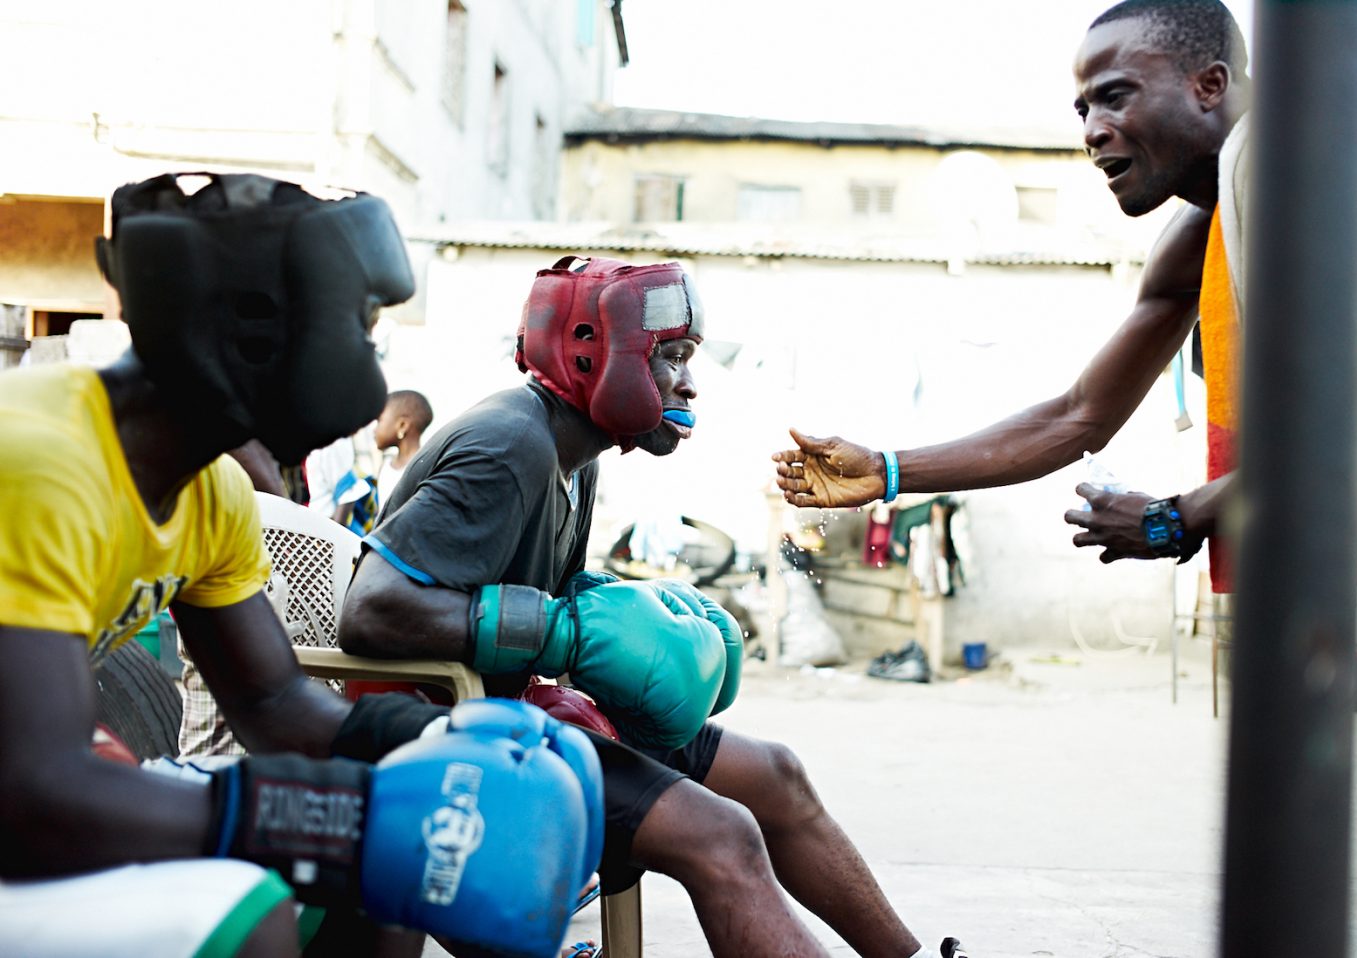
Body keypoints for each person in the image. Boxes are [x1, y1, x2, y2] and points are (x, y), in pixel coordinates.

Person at [0, 172, 609, 958]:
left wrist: (446, 745)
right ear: (254, 330)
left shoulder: (210, 489)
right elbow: (33, 792)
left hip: (33, 777)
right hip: (26, 788)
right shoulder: (42, 466)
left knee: (394, 876)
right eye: (356, 328)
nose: (368, 365)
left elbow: (272, 700)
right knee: (250, 911)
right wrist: (316, 815)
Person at [339, 256, 966, 958]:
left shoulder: (576, 453)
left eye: (688, 357)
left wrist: (602, 624)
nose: (690, 383)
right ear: (589, 354)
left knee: (774, 774)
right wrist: (561, 634)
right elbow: (371, 611)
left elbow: (539, 607)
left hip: (504, 706)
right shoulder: (508, 442)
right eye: (670, 357)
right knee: (721, 836)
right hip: (439, 732)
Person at [772, 0, 1357, 594]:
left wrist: (1178, 517)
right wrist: (887, 471)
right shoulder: (1202, 231)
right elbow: (1079, 415)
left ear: (1211, 85)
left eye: (1116, 97)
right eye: (1085, 109)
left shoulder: (1300, 148)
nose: (1092, 131)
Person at [372, 389, 434, 506]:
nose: (374, 430)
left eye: (379, 421)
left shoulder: (424, 469)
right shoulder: (386, 464)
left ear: (402, 425)